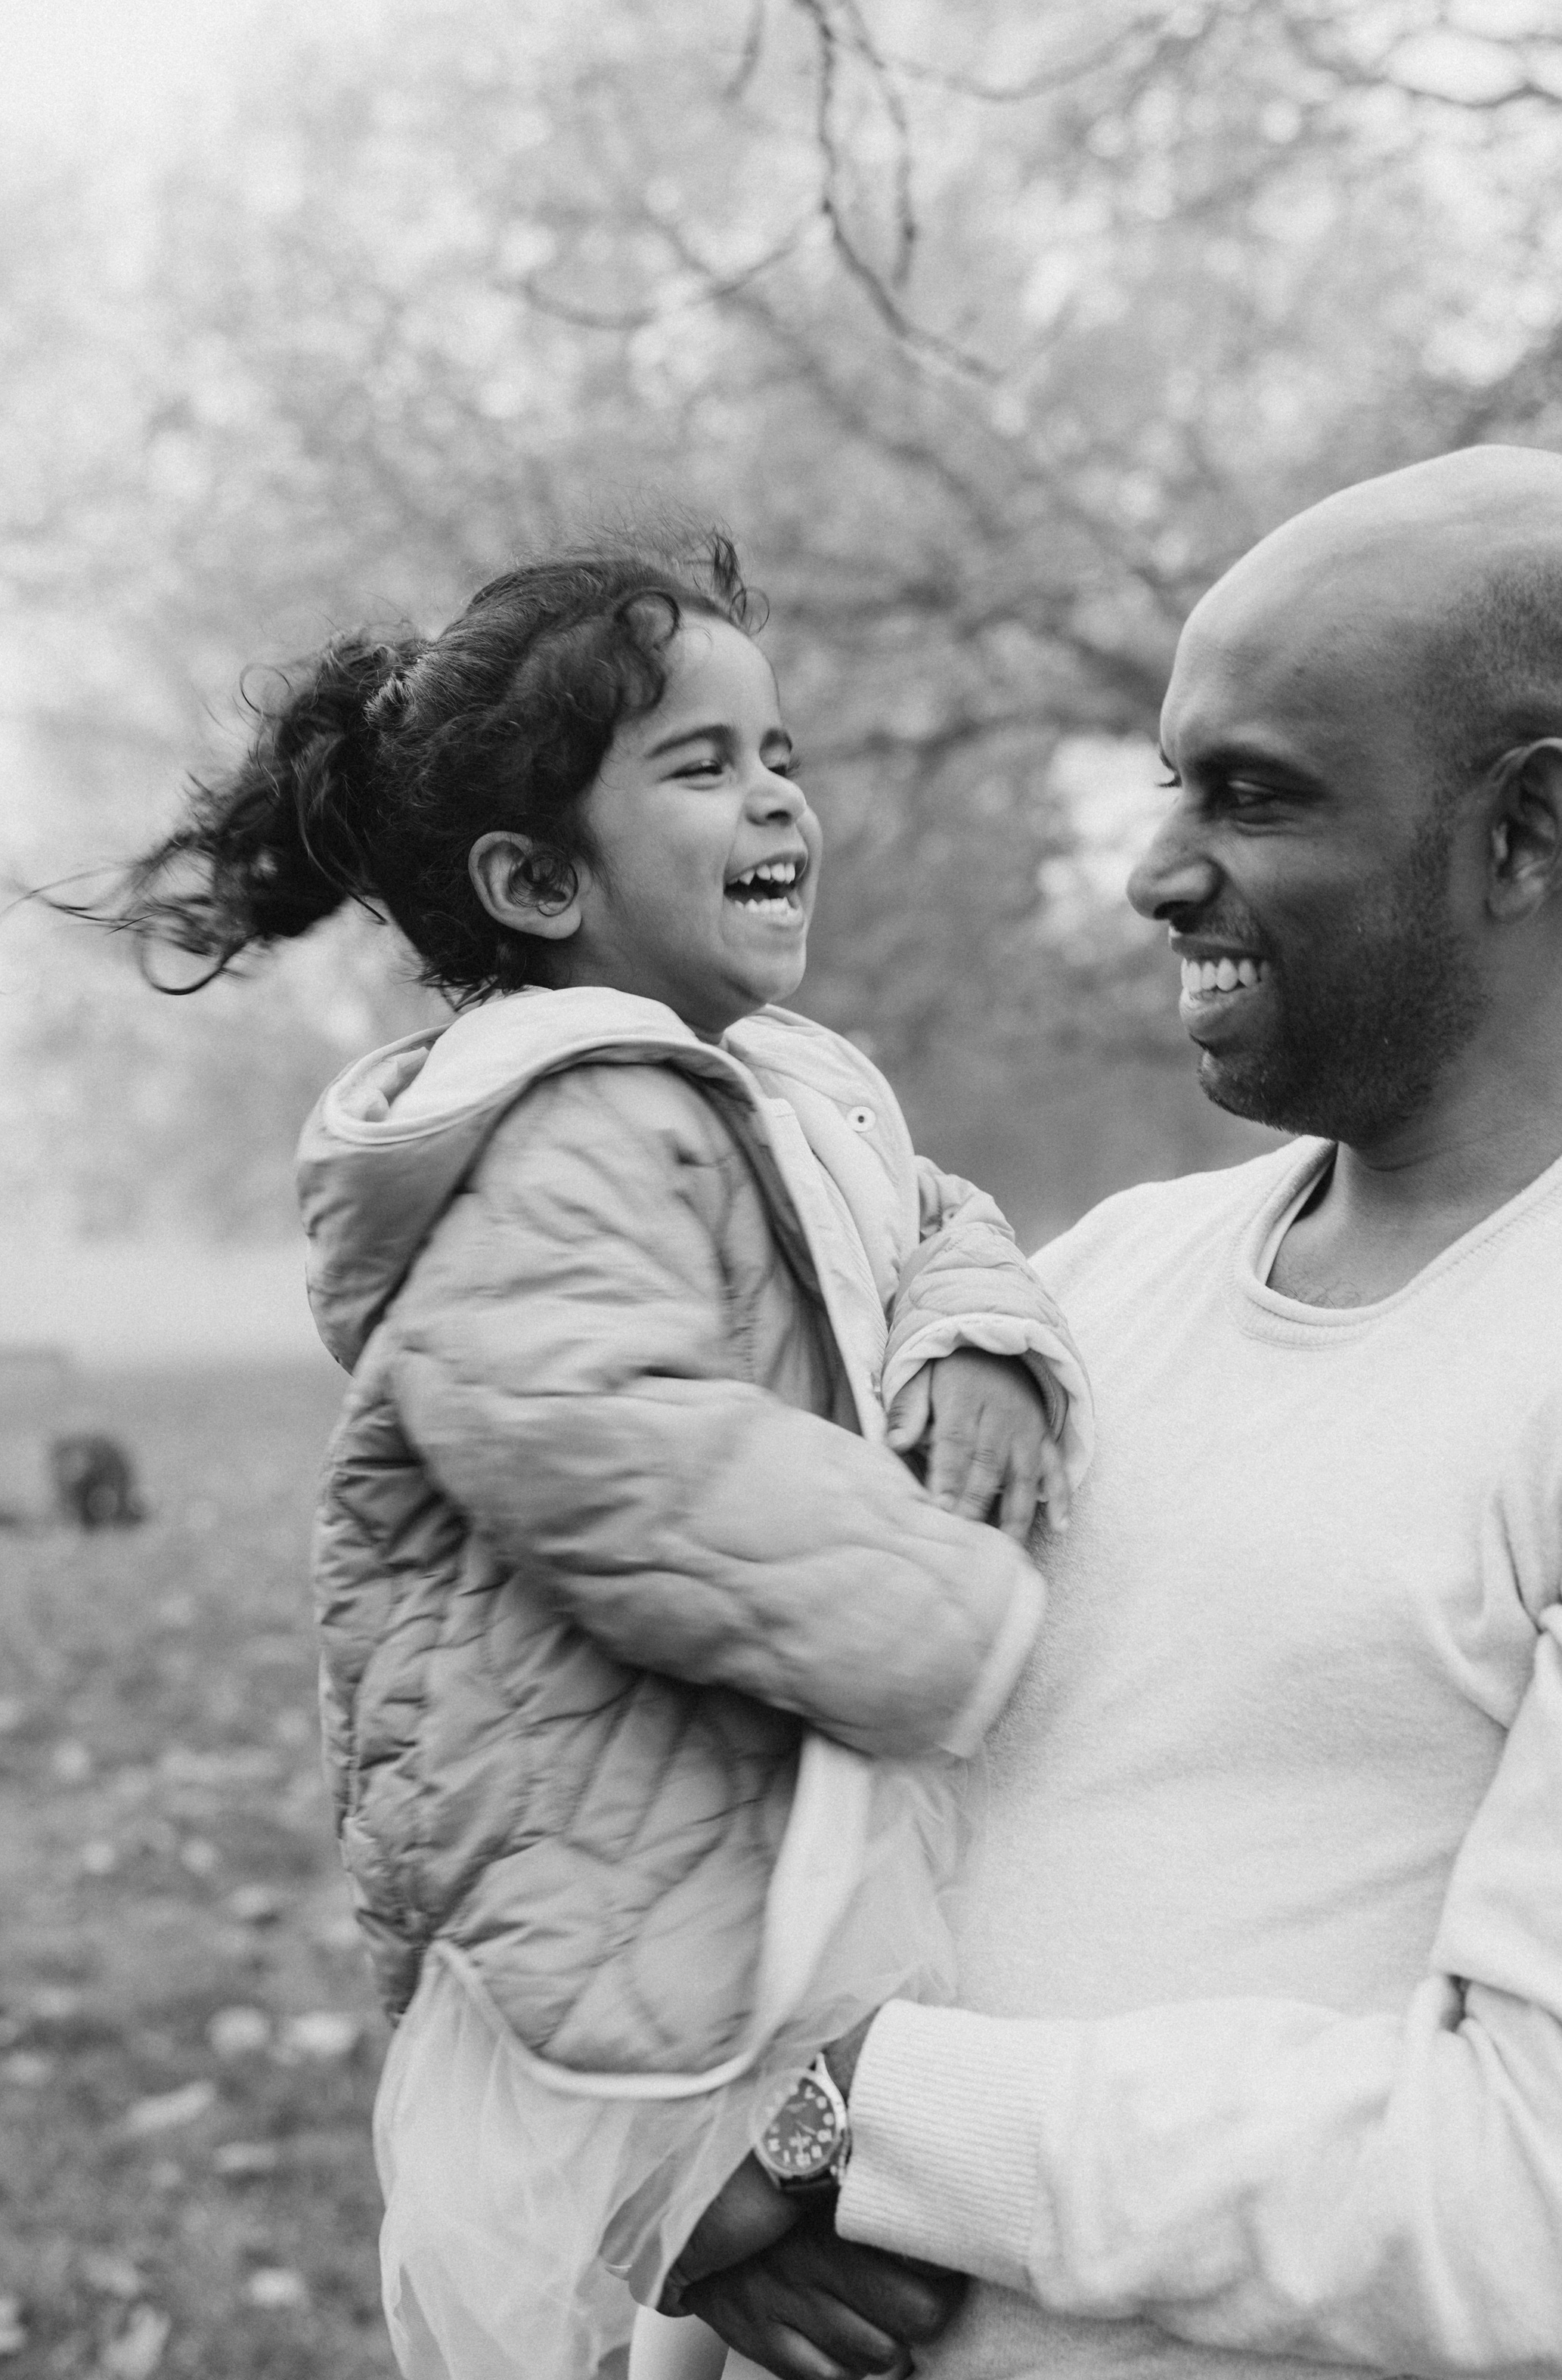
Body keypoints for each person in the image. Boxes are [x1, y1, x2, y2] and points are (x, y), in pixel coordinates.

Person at [673, 445, 1562, 2380]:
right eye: (1172, 780)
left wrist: (844, 2121)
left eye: (1252, 795)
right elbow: (751, 1795)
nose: (1155, 868)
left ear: (1522, 830)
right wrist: (686, 2171)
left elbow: (1559, 2213)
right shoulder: (1086, 1290)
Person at [75, 536, 1092, 2380]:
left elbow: (926, 1209)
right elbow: (579, 1425)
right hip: (598, 1870)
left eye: (776, 749)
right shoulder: (578, 1110)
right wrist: (952, 1617)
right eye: (698, 765)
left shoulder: (794, 1078)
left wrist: (984, 1331)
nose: (773, 791)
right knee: (695, 2305)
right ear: (536, 879)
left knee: (842, 2293)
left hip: (761, 1839)